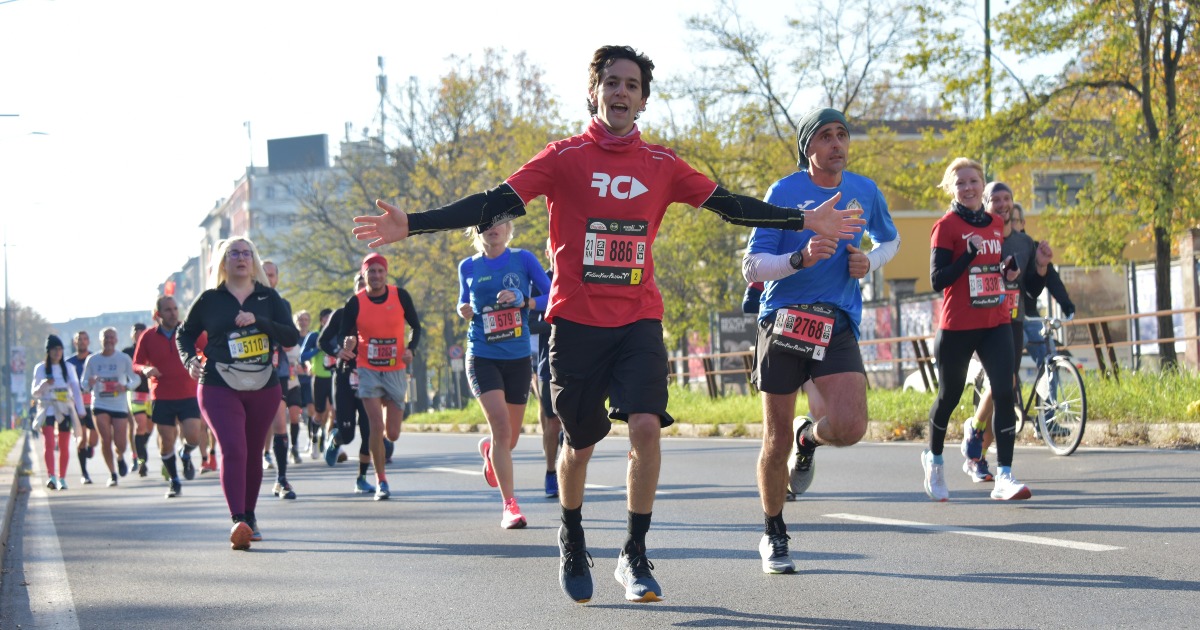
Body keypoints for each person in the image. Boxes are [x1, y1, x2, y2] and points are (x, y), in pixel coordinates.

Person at [351, 45, 862, 603]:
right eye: (612, 83)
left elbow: (731, 205)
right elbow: (492, 202)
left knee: (646, 425)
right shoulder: (563, 158)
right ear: (594, 92)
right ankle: (572, 535)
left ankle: (634, 553)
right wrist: (415, 225)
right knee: (581, 442)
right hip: (574, 322)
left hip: (638, 318)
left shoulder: (662, 166)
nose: (621, 92)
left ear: (643, 100)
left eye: (632, 85)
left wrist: (802, 218)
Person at [742, 107, 900, 574]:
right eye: (826, 136)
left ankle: (807, 439)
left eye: (842, 135)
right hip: (784, 319)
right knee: (773, 441)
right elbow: (752, 267)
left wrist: (869, 262)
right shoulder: (785, 193)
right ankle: (773, 532)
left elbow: (889, 242)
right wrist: (799, 258)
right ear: (808, 148)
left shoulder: (864, 191)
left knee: (850, 426)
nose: (836, 144)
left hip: (837, 321)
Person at [178, 237, 299, 550]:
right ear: (224, 261)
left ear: (254, 260)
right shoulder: (209, 300)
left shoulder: (269, 297)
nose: (241, 258)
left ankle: (250, 515)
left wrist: (258, 320)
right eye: (234, 253)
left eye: (247, 253)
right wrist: (189, 358)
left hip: (263, 386)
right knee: (234, 447)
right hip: (219, 384)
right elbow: (185, 334)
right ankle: (238, 520)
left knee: (253, 451)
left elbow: (290, 336)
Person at [923, 157, 1029, 502]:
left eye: (973, 181)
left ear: (983, 185)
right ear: (951, 189)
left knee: (1004, 391)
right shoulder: (946, 226)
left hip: (995, 320)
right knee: (949, 396)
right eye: (960, 183)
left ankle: (1005, 476)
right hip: (957, 325)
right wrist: (967, 255)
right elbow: (939, 279)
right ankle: (935, 460)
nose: (968, 188)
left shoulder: (997, 223)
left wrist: (1006, 272)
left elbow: (990, 268)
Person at [458, 221, 552, 528]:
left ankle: (490, 452)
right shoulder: (468, 267)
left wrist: (525, 301)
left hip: (517, 357)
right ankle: (510, 506)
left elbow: (552, 294)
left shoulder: (523, 259)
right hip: (482, 355)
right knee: (500, 427)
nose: (492, 228)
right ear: (477, 232)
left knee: (508, 439)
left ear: (508, 227)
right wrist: (463, 310)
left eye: (498, 222)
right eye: (484, 224)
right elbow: (462, 300)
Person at [961, 184, 1054, 483]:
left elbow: (1031, 291)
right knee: (1002, 382)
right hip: (981, 318)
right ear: (985, 204)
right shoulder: (977, 233)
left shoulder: (1024, 242)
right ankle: (976, 437)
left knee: (1004, 388)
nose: (1002, 205)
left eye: (1007, 200)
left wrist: (1040, 265)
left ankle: (977, 453)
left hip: (1012, 320)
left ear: (1013, 204)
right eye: (995, 200)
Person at [337, 253, 422, 501]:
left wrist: (411, 349)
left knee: (392, 433)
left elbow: (416, 326)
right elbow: (343, 335)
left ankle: (383, 442)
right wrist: (349, 342)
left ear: (386, 274)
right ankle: (380, 480)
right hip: (368, 368)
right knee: (375, 425)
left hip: (395, 368)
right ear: (364, 275)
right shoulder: (355, 302)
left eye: (380, 271)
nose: (375, 276)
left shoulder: (400, 296)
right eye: (371, 271)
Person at [134, 295, 208, 498]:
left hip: (189, 392)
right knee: (166, 440)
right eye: (168, 310)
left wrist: (205, 362)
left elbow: (208, 348)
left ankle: (185, 454)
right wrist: (145, 369)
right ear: (158, 314)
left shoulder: (188, 330)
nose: (173, 313)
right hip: (162, 395)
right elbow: (136, 363)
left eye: (175, 308)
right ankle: (174, 481)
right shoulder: (148, 336)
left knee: (193, 434)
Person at [320, 273, 377, 493]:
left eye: (368, 286)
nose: (365, 290)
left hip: (369, 378)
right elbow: (322, 340)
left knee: (368, 431)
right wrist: (339, 351)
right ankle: (336, 439)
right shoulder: (342, 314)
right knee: (348, 433)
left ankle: (361, 478)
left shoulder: (379, 313)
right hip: (344, 378)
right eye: (361, 286)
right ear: (355, 290)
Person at [1013, 202, 1076, 366]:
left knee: (1048, 354)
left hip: (1030, 315)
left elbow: (1052, 279)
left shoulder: (1033, 248)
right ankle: (1011, 387)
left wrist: (1066, 305)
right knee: (1016, 346)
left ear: (1023, 223)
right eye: (1008, 221)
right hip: (1010, 317)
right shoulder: (1000, 245)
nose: (1011, 225)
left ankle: (1050, 391)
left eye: (1015, 221)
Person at [81, 327, 141, 487]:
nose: (108, 340)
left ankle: (120, 457)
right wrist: (90, 383)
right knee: (105, 439)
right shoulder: (92, 360)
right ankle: (112, 473)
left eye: (111, 337)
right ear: (100, 340)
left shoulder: (123, 358)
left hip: (119, 404)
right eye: (105, 337)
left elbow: (136, 379)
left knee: (120, 443)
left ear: (116, 340)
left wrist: (125, 386)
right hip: (99, 404)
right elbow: (84, 383)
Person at [528, 238, 562, 499]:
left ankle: (563, 456)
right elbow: (528, 323)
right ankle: (551, 472)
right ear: (549, 251)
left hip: (579, 360)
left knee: (572, 420)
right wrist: (559, 324)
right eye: (555, 246)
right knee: (550, 420)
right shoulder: (539, 283)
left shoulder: (581, 278)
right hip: (545, 360)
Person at [31, 335, 85, 490]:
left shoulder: (68, 368)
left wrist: (80, 410)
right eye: (54, 349)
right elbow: (34, 392)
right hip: (47, 408)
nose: (57, 352)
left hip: (64, 409)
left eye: (60, 349)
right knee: (48, 443)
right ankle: (51, 477)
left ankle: (62, 478)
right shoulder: (40, 368)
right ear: (48, 351)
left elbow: (75, 389)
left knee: (64, 444)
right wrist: (44, 384)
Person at [65, 330, 99, 485]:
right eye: (79, 339)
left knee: (94, 439)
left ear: (89, 342)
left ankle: (90, 448)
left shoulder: (94, 359)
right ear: (74, 342)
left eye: (85, 339)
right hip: (76, 406)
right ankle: (84, 473)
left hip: (93, 404)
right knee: (81, 440)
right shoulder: (68, 363)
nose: (82, 342)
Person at [123, 323, 156, 477]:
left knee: (149, 427)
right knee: (140, 424)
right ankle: (142, 460)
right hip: (135, 393)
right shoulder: (127, 353)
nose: (140, 335)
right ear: (132, 335)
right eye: (137, 332)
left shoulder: (153, 349)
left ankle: (139, 448)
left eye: (143, 332)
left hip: (152, 392)